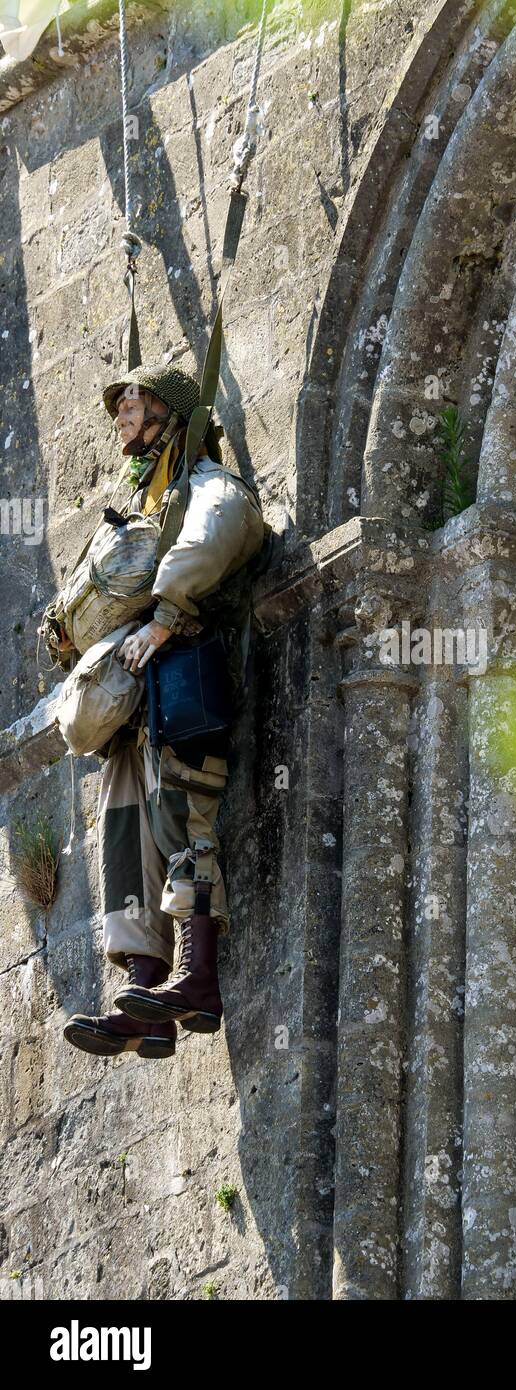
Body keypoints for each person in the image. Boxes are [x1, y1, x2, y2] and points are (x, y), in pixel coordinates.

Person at [63, 365, 264, 1059]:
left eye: (133, 408)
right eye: (118, 410)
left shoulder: (203, 485)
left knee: (184, 819)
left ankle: (195, 977)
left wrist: (167, 615)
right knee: (125, 837)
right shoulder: (140, 503)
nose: (122, 423)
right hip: (134, 706)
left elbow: (219, 530)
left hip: (183, 677)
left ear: (169, 419)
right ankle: (145, 986)